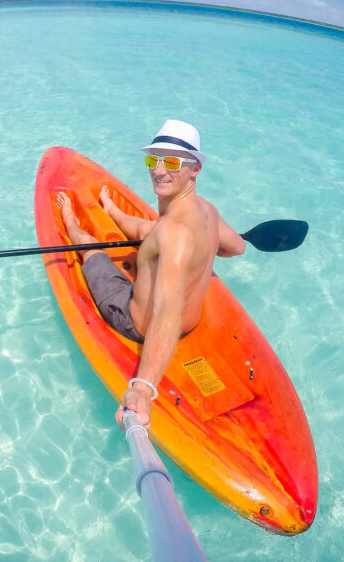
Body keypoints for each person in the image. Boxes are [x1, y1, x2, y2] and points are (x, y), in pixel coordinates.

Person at [57, 120, 246, 430]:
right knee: (151, 231)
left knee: (92, 250)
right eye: (153, 159)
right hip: (192, 318)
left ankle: (71, 222)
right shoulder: (206, 212)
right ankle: (113, 213)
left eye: (171, 162)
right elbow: (236, 247)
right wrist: (205, 250)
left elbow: (167, 312)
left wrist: (143, 388)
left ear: (194, 168)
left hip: (136, 322)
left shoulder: (174, 234)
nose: (158, 170)